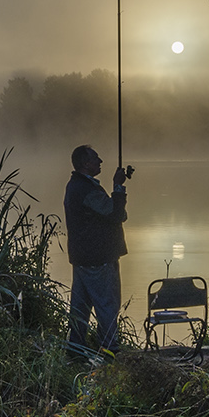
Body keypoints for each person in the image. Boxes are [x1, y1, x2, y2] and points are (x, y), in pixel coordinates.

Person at [64, 144, 129, 356]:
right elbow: (115, 213)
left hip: (83, 258)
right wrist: (118, 186)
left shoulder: (76, 186)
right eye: (96, 158)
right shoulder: (86, 190)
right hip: (98, 259)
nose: (100, 161)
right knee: (107, 305)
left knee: (80, 309)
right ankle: (111, 352)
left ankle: (75, 350)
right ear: (85, 163)